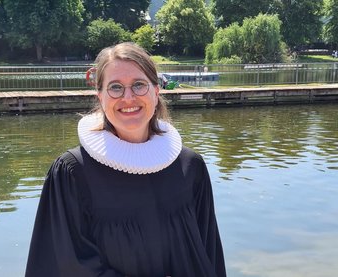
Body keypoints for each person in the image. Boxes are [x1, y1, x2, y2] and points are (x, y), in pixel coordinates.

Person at [26, 42, 226, 277]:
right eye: (115, 87)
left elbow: (209, 255)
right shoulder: (73, 173)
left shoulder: (190, 167)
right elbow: (66, 266)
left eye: (139, 85)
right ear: (100, 96)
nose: (128, 97)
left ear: (156, 91)